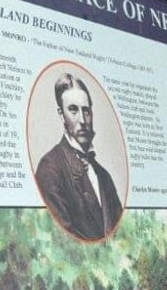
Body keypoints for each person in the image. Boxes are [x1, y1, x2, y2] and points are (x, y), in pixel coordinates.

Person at [34, 73, 123, 241]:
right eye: (73, 110)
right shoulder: (50, 169)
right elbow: (63, 239)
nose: (82, 119)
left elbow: (122, 231)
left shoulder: (104, 176)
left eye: (86, 111)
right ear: (61, 114)